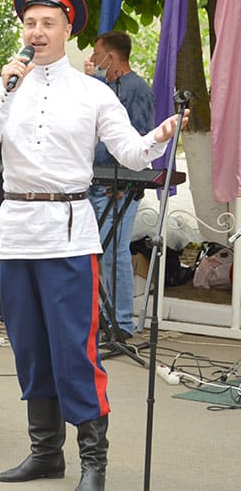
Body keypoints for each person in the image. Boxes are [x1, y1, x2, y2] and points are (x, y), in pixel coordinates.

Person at [0, 0, 188, 491]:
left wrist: (162, 132)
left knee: (74, 346)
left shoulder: (93, 93)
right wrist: (2, 90)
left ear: (69, 29)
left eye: (48, 22)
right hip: (16, 230)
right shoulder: (7, 87)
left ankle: (94, 460)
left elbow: (131, 153)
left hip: (68, 231)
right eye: (29, 22)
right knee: (27, 344)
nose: (37, 31)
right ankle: (46, 452)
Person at [84, 31, 155, 342]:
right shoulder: (101, 89)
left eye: (97, 54)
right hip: (95, 182)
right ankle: (103, 317)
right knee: (96, 253)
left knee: (115, 252)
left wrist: (125, 179)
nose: (93, 60)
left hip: (120, 187)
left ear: (110, 57)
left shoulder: (137, 89)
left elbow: (140, 136)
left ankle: (122, 323)